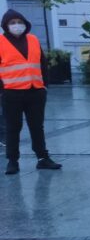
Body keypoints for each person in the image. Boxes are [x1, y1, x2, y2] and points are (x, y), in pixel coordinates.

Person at [1, 9, 62, 175]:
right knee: (13, 128)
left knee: (37, 127)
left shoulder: (33, 39)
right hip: (11, 93)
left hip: (35, 91)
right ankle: (12, 161)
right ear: (6, 25)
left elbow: (42, 63)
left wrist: (44, 85)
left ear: (25, 24)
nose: (17, 25)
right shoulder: (1, 42)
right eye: (12, 23)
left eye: (19, 22)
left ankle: (43, 158)